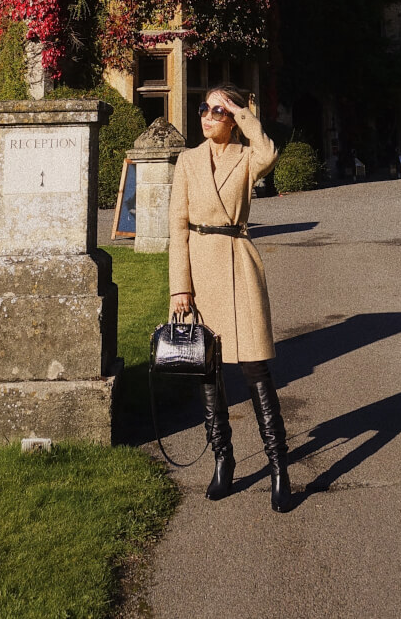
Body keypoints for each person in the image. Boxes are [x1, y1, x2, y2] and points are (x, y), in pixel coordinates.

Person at [168, 85, 291, 512]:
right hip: (199, 272)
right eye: (204, 108)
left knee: (256, 369)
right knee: (207, 370)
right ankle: (224, 459)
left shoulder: (246, 157)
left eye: (219, 111)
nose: (208, 116)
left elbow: (269, 151)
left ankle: (279, 467)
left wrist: (244, 114)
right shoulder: (186, 161)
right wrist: (179, 286)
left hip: (239, 264)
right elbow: (177, 228)